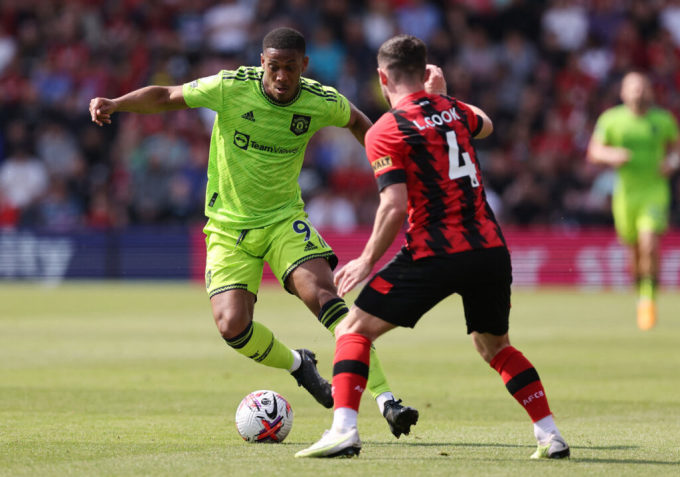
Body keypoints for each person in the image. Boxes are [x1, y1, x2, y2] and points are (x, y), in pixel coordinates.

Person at [89, 27, 418, 437]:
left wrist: (389, 171)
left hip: (283, 220)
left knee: (325, 297)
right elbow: (168, 96)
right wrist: (116, 104)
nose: (282, 77)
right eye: (275, 67)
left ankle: (387, 400)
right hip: (228, 228)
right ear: (262, 63)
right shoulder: (229, 87)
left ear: (305, 66)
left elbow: (358, 122)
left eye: (291, 69)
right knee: (232, 327)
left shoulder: (319, 100)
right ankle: (299, 365)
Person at [295, 34, 570, 460]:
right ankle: (550, 434)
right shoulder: (456, 111)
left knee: (352, 330)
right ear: (426, 73)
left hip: (435, 252)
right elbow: (488, 123)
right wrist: (440, 96)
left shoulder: (386, 129)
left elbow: (393, 204)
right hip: (490, 250)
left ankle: (343, 430)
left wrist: (367, 260)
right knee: (495, 347)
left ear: (382, 77)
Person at [587, 71, 680, 330]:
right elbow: (594, 151)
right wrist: (611, 154)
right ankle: (641, 294)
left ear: (649, 91)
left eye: (642, 87)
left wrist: (671, 162)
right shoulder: (611, 120)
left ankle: (649, 300)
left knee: (649, 243)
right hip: (626, 194)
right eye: (633, 88)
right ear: (623, 93)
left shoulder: (663, 119)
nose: (638, 92)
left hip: (654, 191)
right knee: (634, 252)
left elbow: (676, 150)